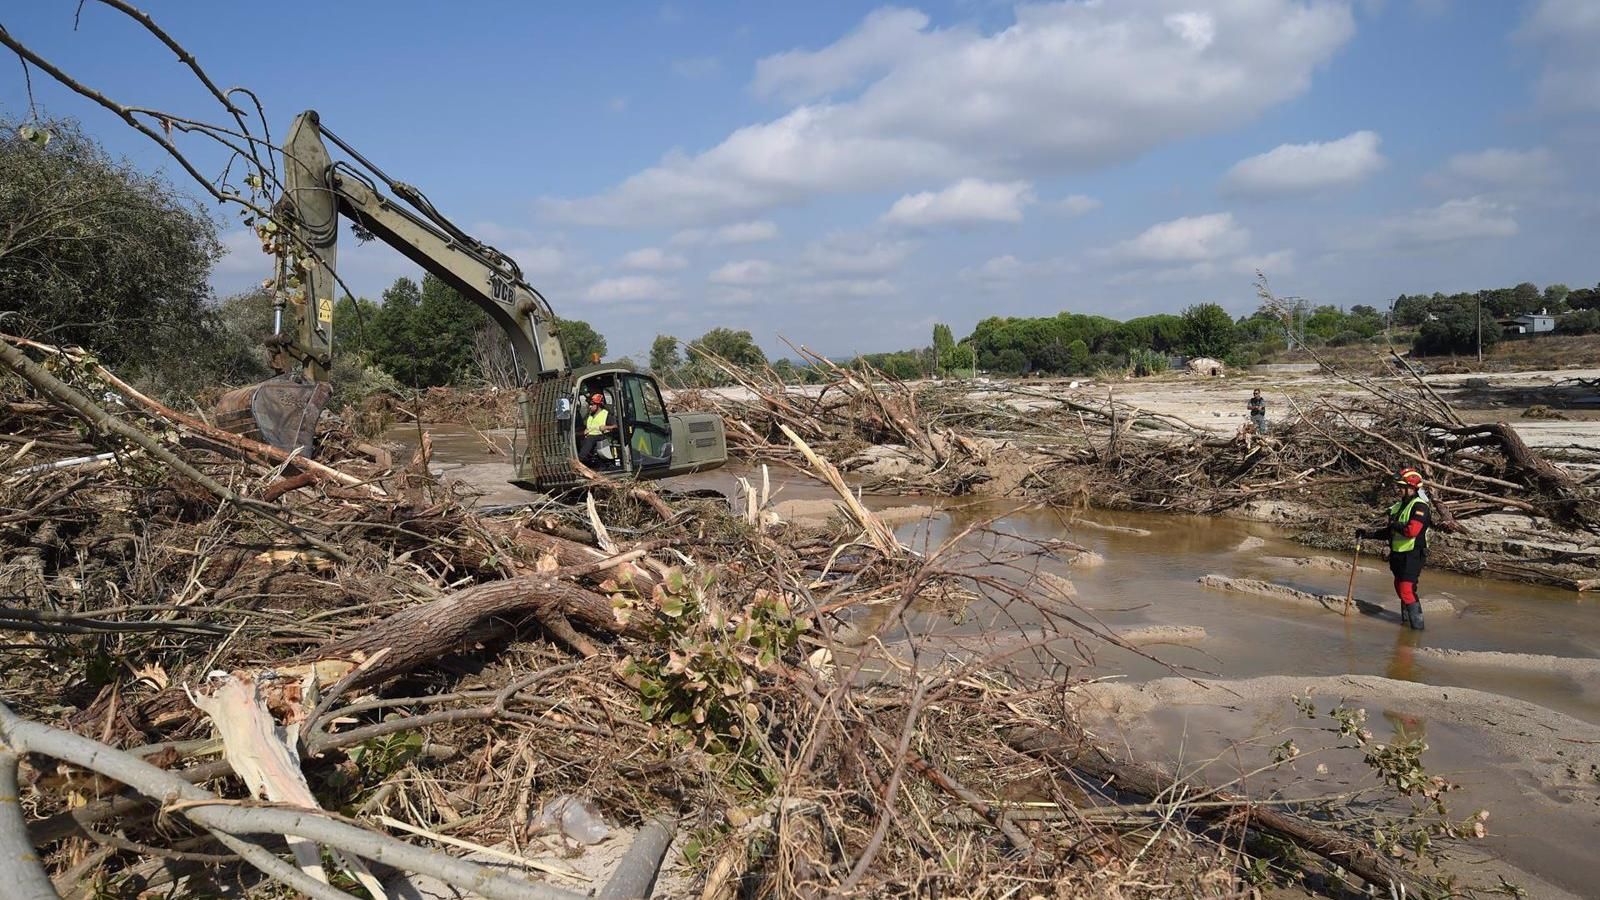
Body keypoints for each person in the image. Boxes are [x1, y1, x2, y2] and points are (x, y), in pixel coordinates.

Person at [1358, 467, 1431, 630]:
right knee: (1400, 589)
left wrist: (1395, 525)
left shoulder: (1420, 507)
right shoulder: (1398, 506)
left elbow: (1411, 531)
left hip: (1413, 555)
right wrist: (1368, 534)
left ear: (1411, 488)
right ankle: (1405, 626)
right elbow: (1390, 531)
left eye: (1401, 486)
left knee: (1406, 590)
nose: (1398, 490)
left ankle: (1417, 631)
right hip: (1397, 555)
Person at [578, 392, 616, 467]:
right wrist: (581, 432)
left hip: (602, 437)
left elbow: (616, 426)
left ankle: (580, 459)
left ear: (598, 405)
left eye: (592, 405)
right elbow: (586, 426)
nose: (590, 407)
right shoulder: (590, 416)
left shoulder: (606, 414)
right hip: (589, 437)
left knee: (590, 439)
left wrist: (606, 427)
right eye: (590, 405)